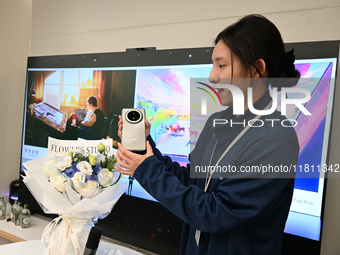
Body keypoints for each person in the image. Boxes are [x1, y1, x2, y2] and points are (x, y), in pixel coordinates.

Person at [115, 14, 300, 255]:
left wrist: (148, 169)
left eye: (222, 65)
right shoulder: (218, 122)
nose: (212, 76)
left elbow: (215, 213)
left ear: (258, 69)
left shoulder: (275, 140)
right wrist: (144, 148)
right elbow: (192, 183)